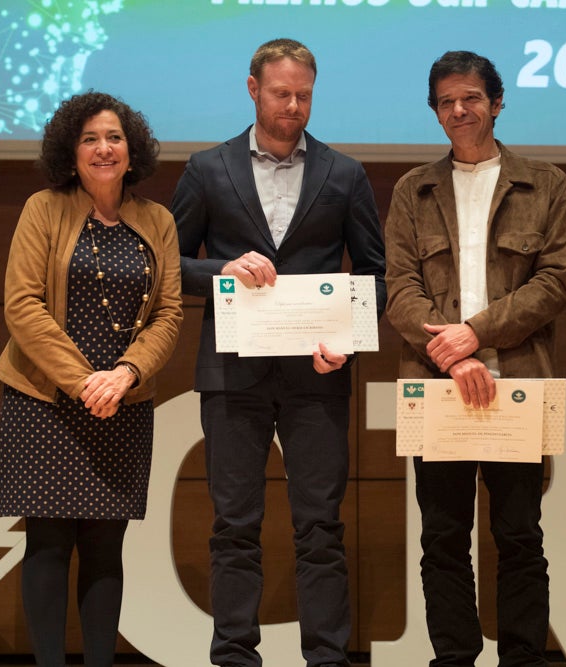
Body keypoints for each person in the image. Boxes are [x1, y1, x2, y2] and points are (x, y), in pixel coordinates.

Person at [170, 38, 386, 667]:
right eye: (281, 93)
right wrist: (223, 269)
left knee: (320, 526)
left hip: (318, 374)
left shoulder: (344, 173)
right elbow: (171, 263)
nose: (293, 106)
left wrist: (345, 341)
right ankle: (234, 655)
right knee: (234, 524)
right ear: (252, 89)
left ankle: (326, 657)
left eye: (304, 95)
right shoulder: (207, 168)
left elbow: (373, 272)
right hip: (232, 372)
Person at [384, 51, 566, 666]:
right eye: (446, 101)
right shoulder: (412, 189)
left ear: (497, 102)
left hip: (519, 382)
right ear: (436, 112)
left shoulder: (545, 183)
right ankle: (454, 659)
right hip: (436, 384)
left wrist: (474, 333)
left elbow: (553, 283)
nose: (459, 110)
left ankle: (522, 657)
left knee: (520, 536)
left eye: (470, 98)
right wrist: (454, 354)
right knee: (442, 539)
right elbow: (400, 289)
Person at [0, 91, 183, 666]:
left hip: (124, 400)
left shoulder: (158, 220)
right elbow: (22, 304)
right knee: (48, 544)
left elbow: (169, 314)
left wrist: (124, 373)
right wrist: (84, 382)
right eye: (90, 139)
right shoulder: (42, 208)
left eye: (115, 138)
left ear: (133, 150)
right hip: (44, 400)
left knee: (106, 547)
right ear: (70, 151)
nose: (104, 149)